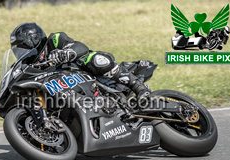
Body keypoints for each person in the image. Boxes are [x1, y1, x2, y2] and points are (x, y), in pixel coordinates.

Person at [10, 22, 151, 101]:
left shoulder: (54, 40)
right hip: (70, 94)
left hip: (88, 74)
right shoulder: (29, 66)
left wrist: (66, 53)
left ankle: (139, 87)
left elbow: (81, 47)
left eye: (23, 49)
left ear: (34, 41)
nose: (22, 54)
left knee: (96, 60)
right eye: (19, 52)